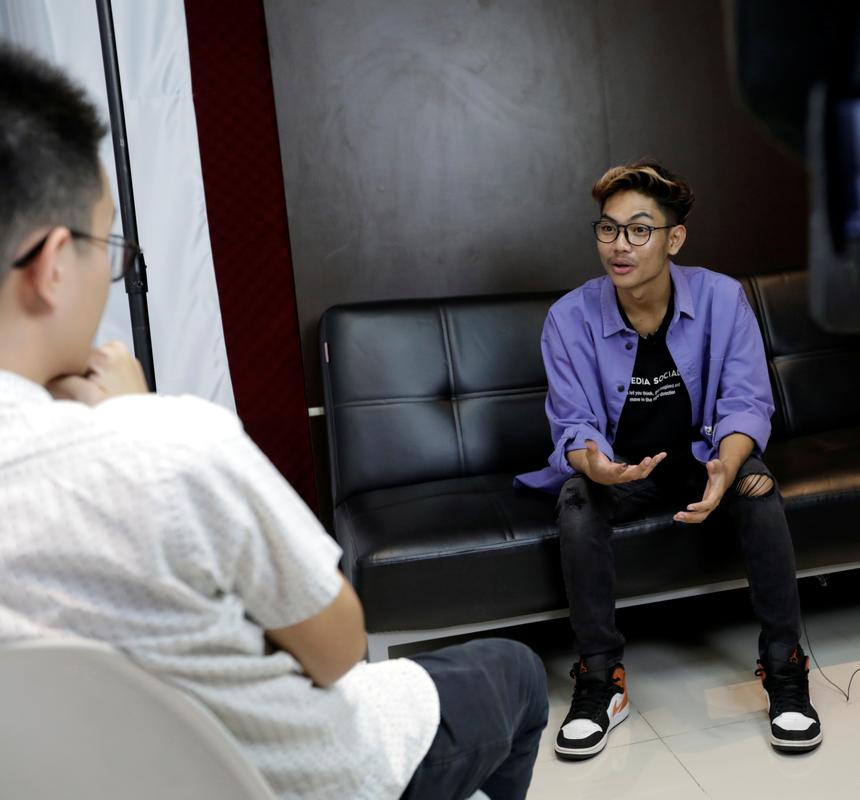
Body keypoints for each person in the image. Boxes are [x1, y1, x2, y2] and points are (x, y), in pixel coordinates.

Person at [0, 43, 546, 800]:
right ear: (53, 262)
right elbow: (338, 653)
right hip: (308, 780)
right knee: (513, 672)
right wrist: (138, 419)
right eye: (110, 244)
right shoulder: (167, 449)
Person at [516, 160, 822, 760]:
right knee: (576, 500)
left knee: (759, 485)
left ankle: (784, 669)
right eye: (608, 230)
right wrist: (595, 466)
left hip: (704, 458)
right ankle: (601, 680)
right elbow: (572, 421)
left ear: (673, 239)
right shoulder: (569, 318)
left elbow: (746, 403)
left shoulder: (721, 299)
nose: (619, 246)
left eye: (638, 230)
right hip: (621, 470)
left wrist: (728, 469)